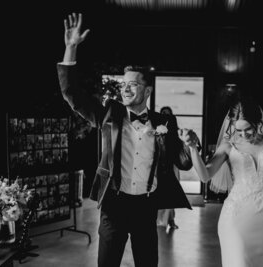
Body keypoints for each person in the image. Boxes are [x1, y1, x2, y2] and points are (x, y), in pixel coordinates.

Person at [57, 13, 196, 267]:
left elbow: (184, 163)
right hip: (114, 206)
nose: (126, 88)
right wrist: (71, 47)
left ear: (147, 91)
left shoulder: (165, 123)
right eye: (124, 84)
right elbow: (71, 93)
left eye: (133, 84)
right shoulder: (109, 114)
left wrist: (191, 144)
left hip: (146, 208)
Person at [187, 34, 263, 267]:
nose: (243, 135)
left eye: (247, 130)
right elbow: (205, 175)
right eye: (238, 130)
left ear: (258, 123)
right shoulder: (229, 146)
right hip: (235, 218)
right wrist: (192, 149)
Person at [157, 106, 180, 233]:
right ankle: (161, 220)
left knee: (171, 193)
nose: (165, 115)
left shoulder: (174, 133)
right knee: (161, 194)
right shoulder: (157, 129)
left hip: (172, 165)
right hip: (159, 165)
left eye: (168, 113)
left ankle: (171, 220)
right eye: (163, 113)